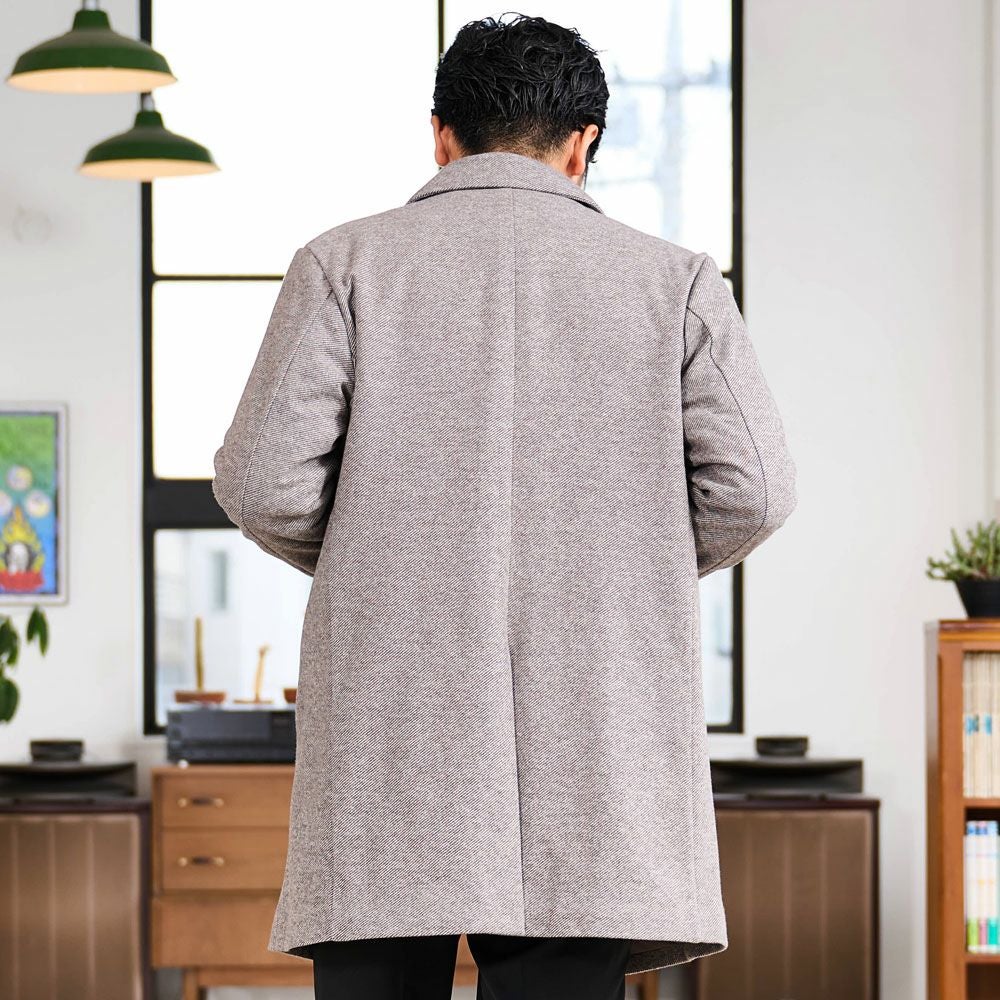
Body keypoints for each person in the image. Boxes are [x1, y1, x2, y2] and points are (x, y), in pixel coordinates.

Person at [212, 12, 796, 1000]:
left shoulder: (343, 265)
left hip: (394, 716)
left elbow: (262, 483)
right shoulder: (676, 284)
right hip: (594, 722)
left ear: (441, 136)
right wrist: (631, 556)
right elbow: (756, 490)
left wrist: (379, 545)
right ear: (582, 145)